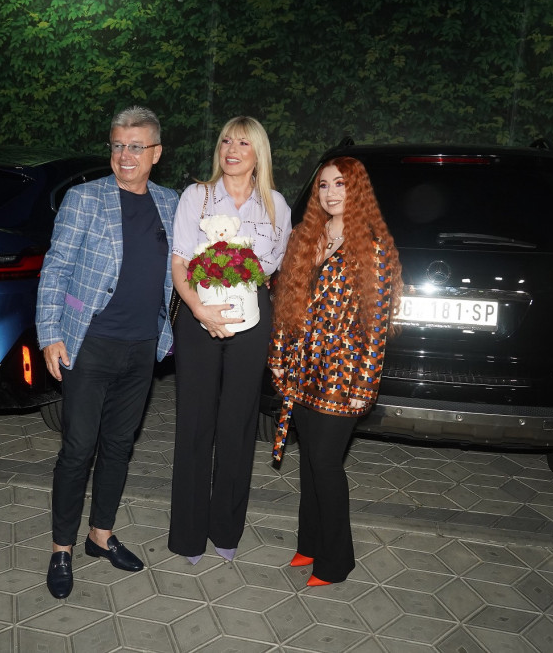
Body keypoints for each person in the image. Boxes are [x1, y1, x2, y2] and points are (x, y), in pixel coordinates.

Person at [36, 106, 178, 599]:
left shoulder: (170, 203)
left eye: (136, 146)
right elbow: (56, 266)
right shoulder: (84, 198)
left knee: (119, 445)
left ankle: (100, 535)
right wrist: (49, 333)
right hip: (89, 342)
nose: (125, 155)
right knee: (78, 448)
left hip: (143, 346)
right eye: (117, 145)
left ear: (156, 153)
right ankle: (62, 548)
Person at [269, 157, 402, 586]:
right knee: (309, 460)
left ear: (357, 189)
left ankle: (336, 560)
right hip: (303, 367)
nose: (330, 193)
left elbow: (375, 326)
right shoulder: (306, 237)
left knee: (325, 462)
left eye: (340, 184)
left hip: (342, 373)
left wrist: (365, 382)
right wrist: (279, 358)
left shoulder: (372, 247)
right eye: (324, 185)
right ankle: (309, 543)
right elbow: (286, 306)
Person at [168, 116, 292, 564]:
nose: (232, 150)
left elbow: (273, 268)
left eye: (243, 143)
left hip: (251, 318)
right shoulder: (197, 196)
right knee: (194, 423)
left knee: (238, 425)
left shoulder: (276, 205)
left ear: (259, 153)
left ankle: (226, 529)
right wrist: (200, 309)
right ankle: (187, 535)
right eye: (225, 141)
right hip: (198, 314)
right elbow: (179, 261)